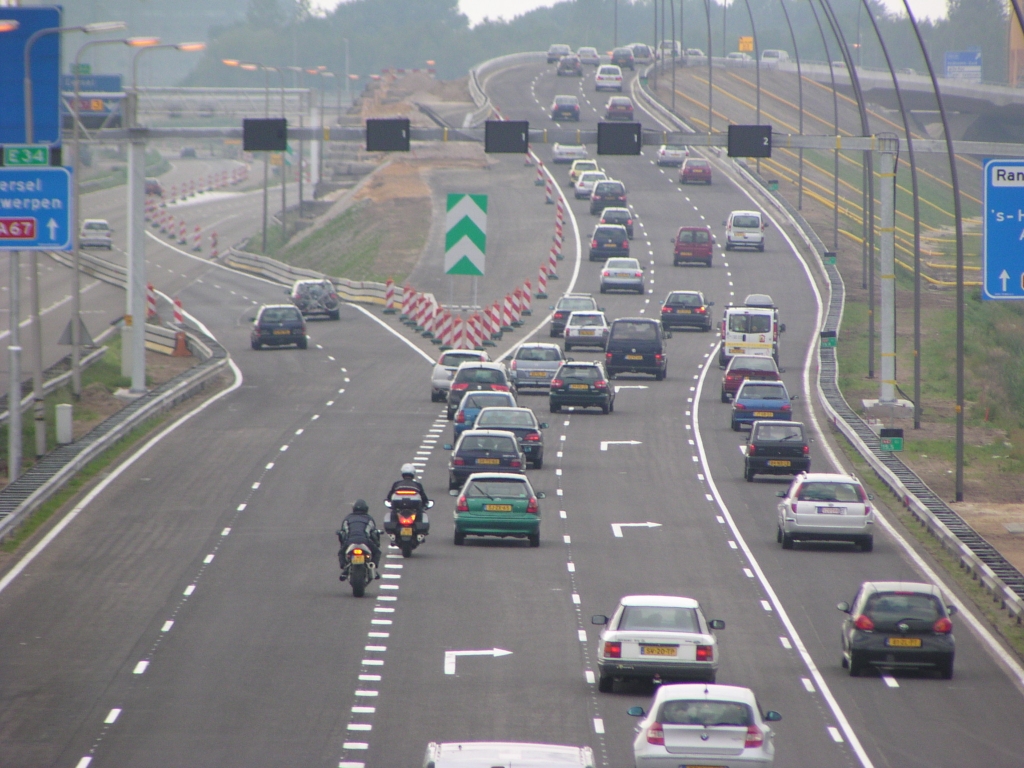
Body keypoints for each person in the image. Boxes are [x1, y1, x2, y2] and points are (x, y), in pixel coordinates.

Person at [337, 499, 381, 581]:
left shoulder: (347, 518)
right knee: (377, 552)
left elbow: (343, 533)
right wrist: (376, 544)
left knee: (341, 553)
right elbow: (373, 533)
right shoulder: (369, 519)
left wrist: (343, 545)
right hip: (365, 540)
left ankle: (345, 569)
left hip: (350, 541)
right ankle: (373, 566)